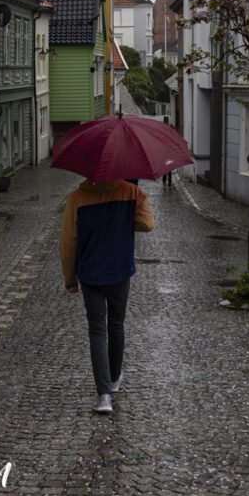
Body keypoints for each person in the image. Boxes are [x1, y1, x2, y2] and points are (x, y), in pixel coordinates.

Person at [59, 177, 155, 413]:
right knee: (116, 324)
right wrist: (123, 221)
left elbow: (68, 241)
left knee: (97, 330)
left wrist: (70, 279)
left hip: (90, 272)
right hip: (119, 270)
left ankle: (103, 395)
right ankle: (113, 379)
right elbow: (148, 224)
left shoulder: (77, 197)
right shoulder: (132, 193)